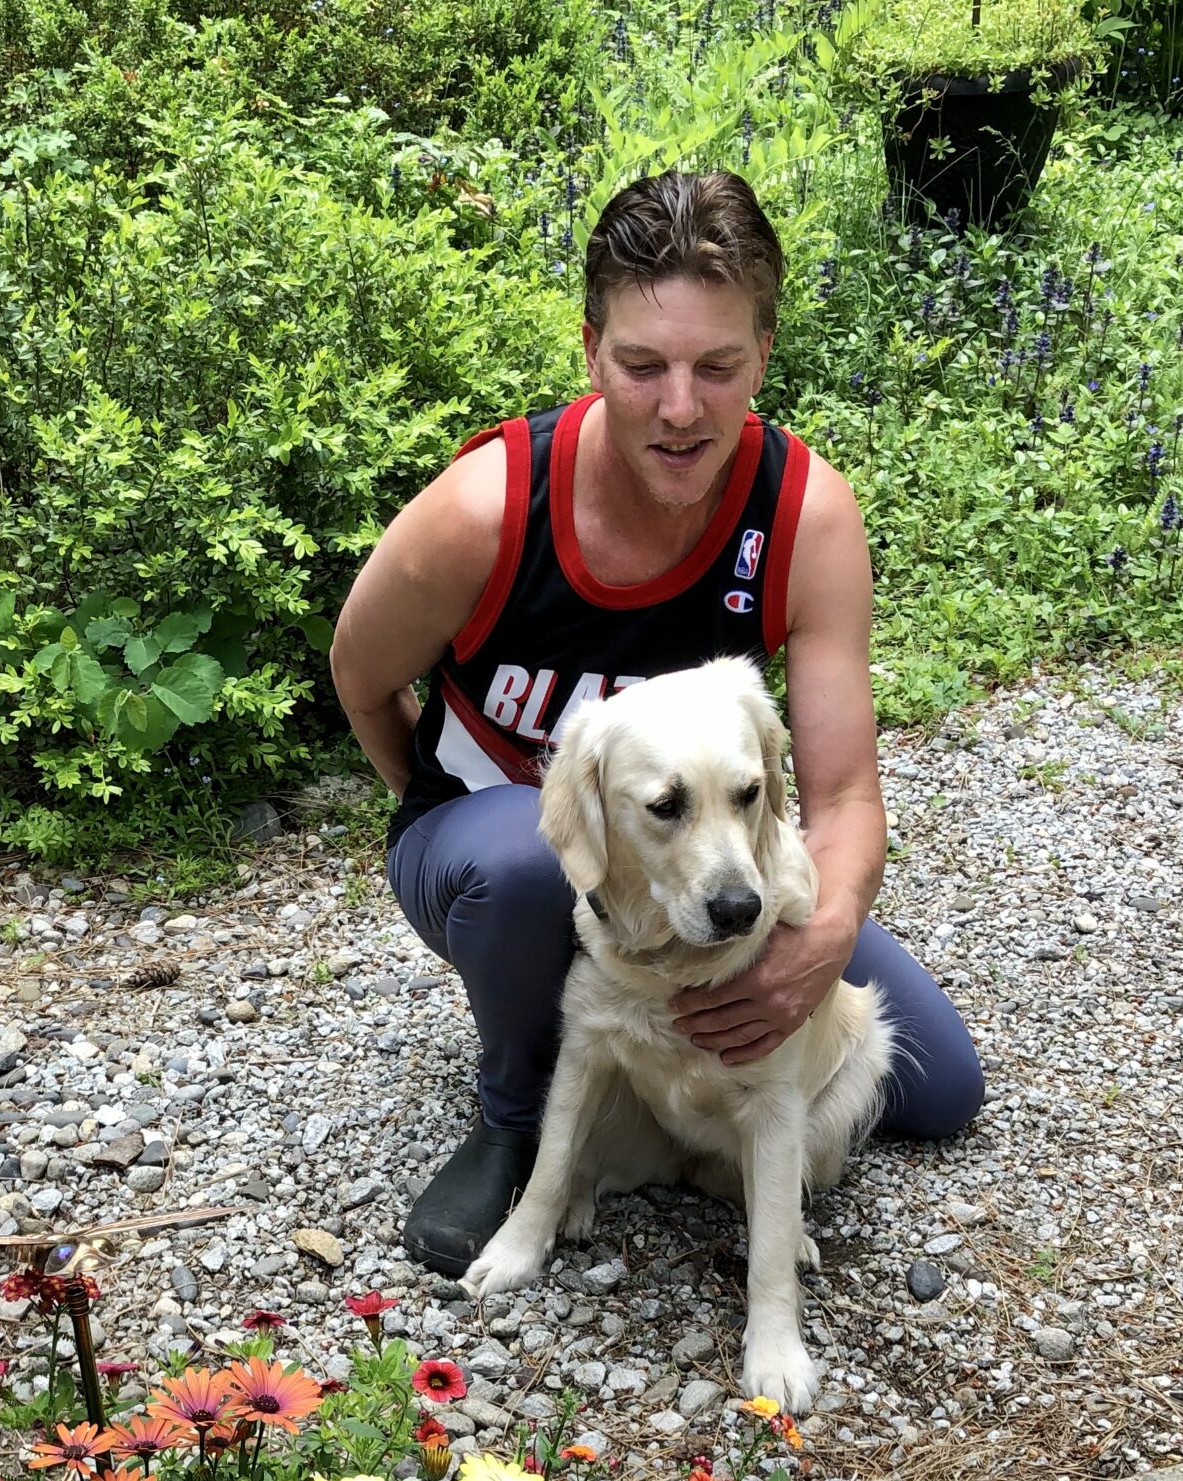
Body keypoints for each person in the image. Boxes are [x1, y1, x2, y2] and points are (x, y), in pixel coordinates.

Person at [330, 168, 984, 1277]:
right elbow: (358, 680)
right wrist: (446, 827)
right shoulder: (486, 510)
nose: (679, 407)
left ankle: (671, 1082)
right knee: (525, 870)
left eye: (715, 366)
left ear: (761, 359)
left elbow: (837, 800)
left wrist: (815, 947)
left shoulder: (802, 515)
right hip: (505, 842)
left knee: (934, 1087)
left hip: (703, 853)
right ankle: (514, 1111)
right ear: (591, 351)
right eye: (642, 365)